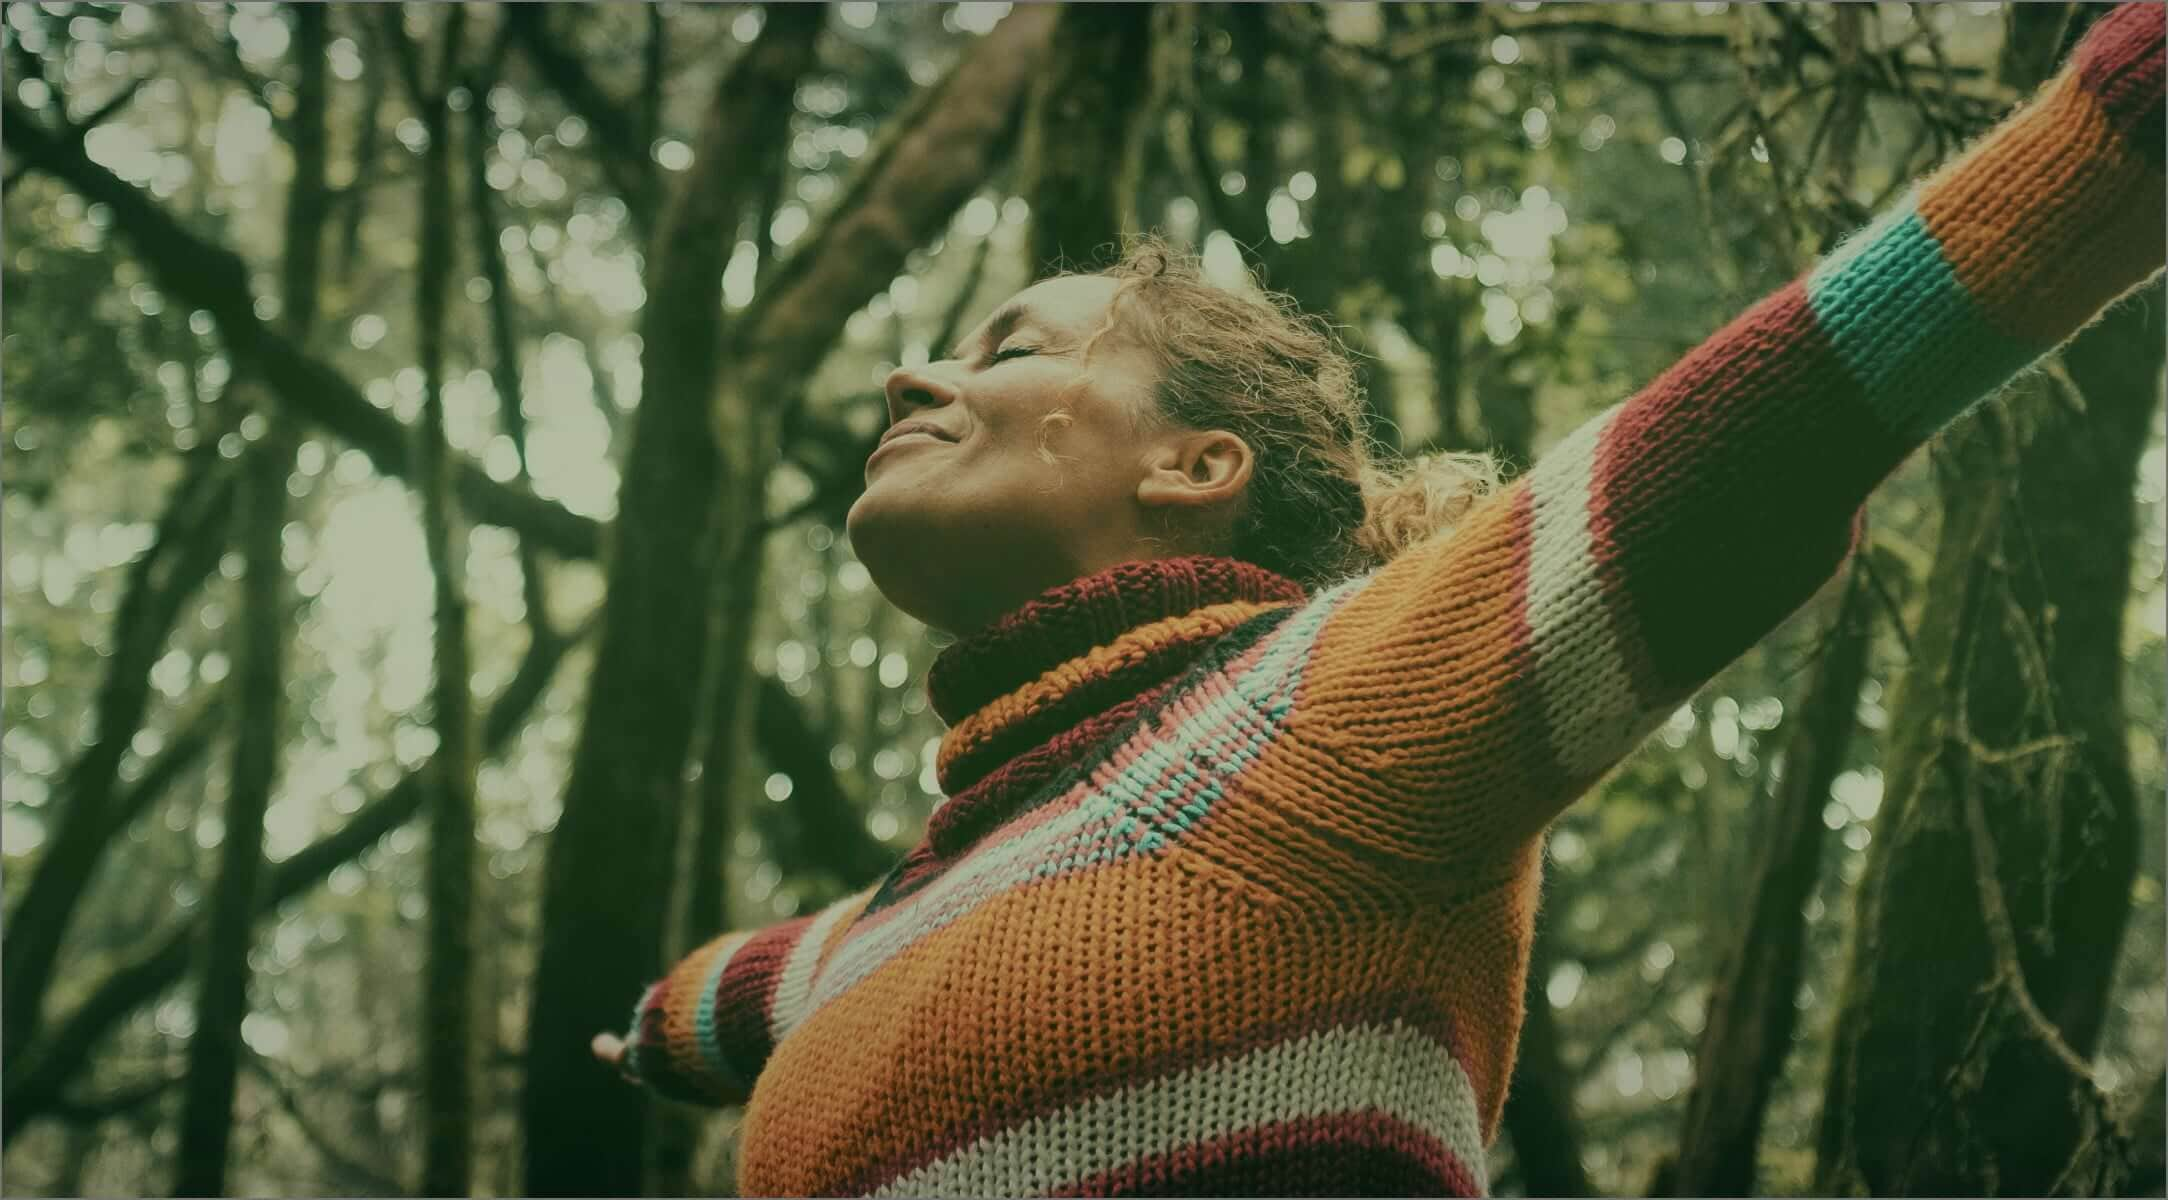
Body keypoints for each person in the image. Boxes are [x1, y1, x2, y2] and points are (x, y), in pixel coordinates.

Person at [595, 8, 2164, 1195]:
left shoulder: (1342, 717)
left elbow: (1752, 434)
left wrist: (2119, 130)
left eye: (1007, 348)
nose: (911, 371)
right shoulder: (903, 909)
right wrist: (659, 1030)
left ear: (1199, 464)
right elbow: (755, 987)